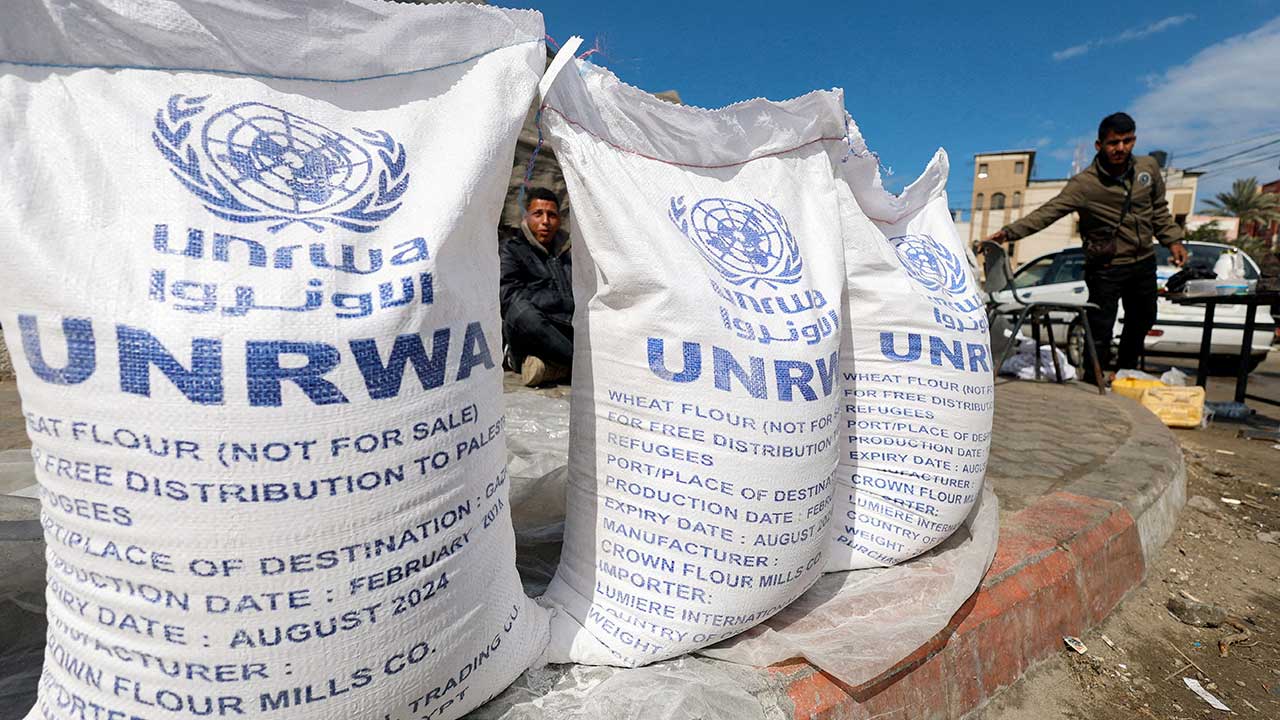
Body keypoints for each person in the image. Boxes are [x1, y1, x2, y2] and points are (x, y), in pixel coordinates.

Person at [985, 112, 1189, 380]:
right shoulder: (1085, 185)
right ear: (1099, 145)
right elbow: (1049, 212)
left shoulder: (1147, 169)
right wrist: (1008, 233)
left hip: (1143, 260)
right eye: (1113, 143)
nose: (1120, 149)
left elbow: (1159, 210)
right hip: (1106, 266)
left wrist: (1173, 241)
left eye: (1127, 141)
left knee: (1143, 317)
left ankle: (1127, 371)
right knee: (1100, 325)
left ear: (1134, 140)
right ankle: (1094, 377)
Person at [499, 187, 573, 386]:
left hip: (565, 328)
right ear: (526, 217)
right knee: (523, 313)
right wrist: (560, 303)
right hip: (533, 328)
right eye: (538, 214)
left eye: (552, 215)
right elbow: (508, 295)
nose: (545, 221)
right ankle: (582, 366)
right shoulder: (512, 250)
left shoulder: (568, 253)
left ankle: (551, 369)